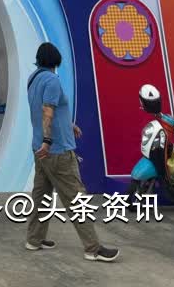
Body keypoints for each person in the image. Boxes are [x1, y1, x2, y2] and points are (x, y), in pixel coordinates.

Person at [25, 42, 118, 261]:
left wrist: (69, 125)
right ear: (55, 60)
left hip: (39, 150)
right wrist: (48, 140)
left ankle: (34, 239)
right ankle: (93, 248)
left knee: (41, 196)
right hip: (56, 150)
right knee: (76, 198)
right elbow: (47, 111)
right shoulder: (52, 80)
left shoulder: (33, 78)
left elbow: (50, 111)